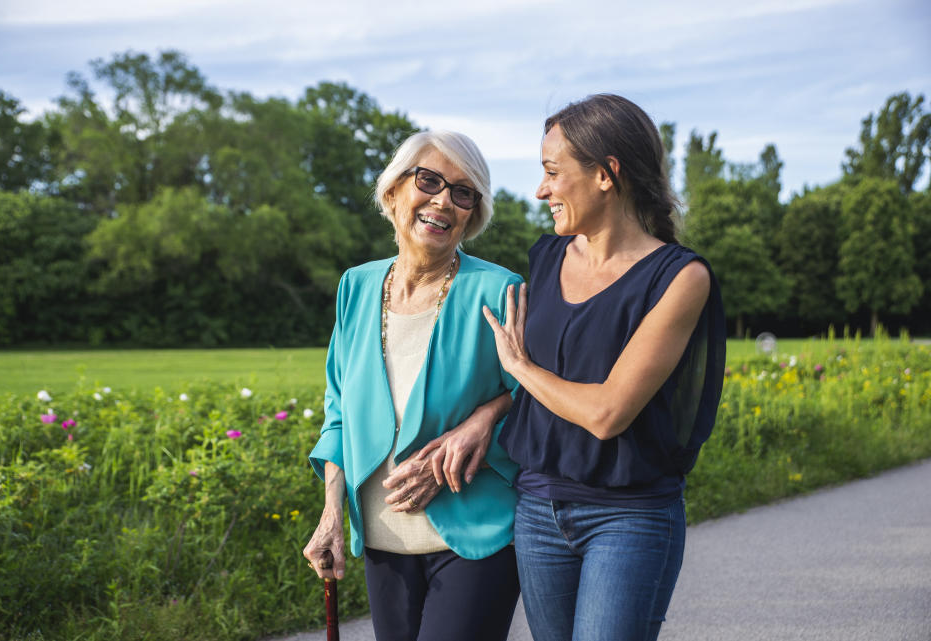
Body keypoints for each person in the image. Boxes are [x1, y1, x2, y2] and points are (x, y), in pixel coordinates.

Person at [483, 94, 726, 641]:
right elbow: (535, 392)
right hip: (538, 507)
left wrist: (519, 368)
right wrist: (486, 416)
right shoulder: (546, 257)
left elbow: (607, 412)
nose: (541, 189)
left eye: (552, 172)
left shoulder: (680, 278)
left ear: (605, 175)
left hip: (630, 518)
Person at [303, 130, 522, 641]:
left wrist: (483, 421)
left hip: (476, 539)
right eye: (429, 180)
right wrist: (332, 514)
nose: (444, 200)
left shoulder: (499, 289)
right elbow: (339, 412)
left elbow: (536, 398)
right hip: (383, 541)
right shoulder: (355, 286)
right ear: (393, 191)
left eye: (463, 192)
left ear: (472, 213)